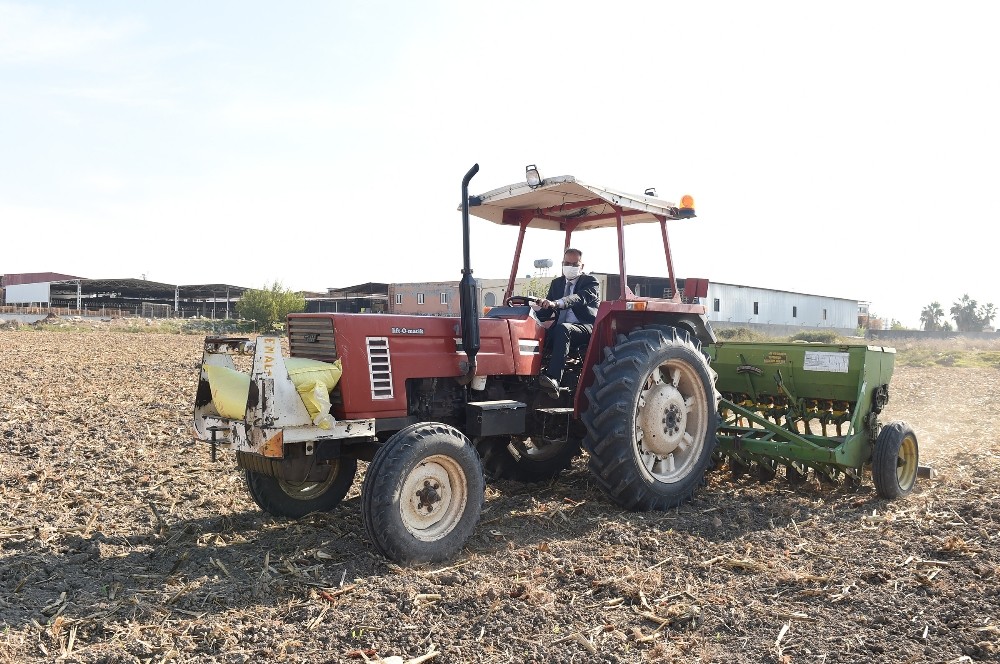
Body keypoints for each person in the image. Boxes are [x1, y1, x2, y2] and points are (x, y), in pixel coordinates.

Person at [535, 248, 600, 397]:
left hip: (585, 328)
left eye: (574, 264)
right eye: (567, 263)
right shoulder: (556, 283)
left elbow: (579, 298)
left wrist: (557, 303)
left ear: (581, 266)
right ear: (562, 264)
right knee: (537, 331)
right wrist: (533, 309)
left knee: (563, 329)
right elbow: (546, 311)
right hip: (561, 329)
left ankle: (554, 379)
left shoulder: (590, 282)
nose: (570, 267)